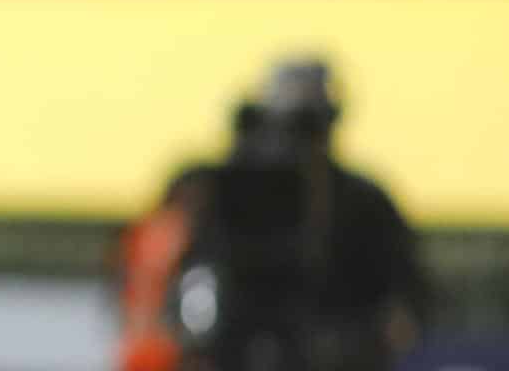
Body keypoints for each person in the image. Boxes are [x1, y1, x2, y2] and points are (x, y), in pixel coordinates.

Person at [116, 61, 426, 371]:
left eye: (308, 126)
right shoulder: (218, 191)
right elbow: (174, 283)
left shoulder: (364, 203)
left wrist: (359, 338)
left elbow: (408, 302)